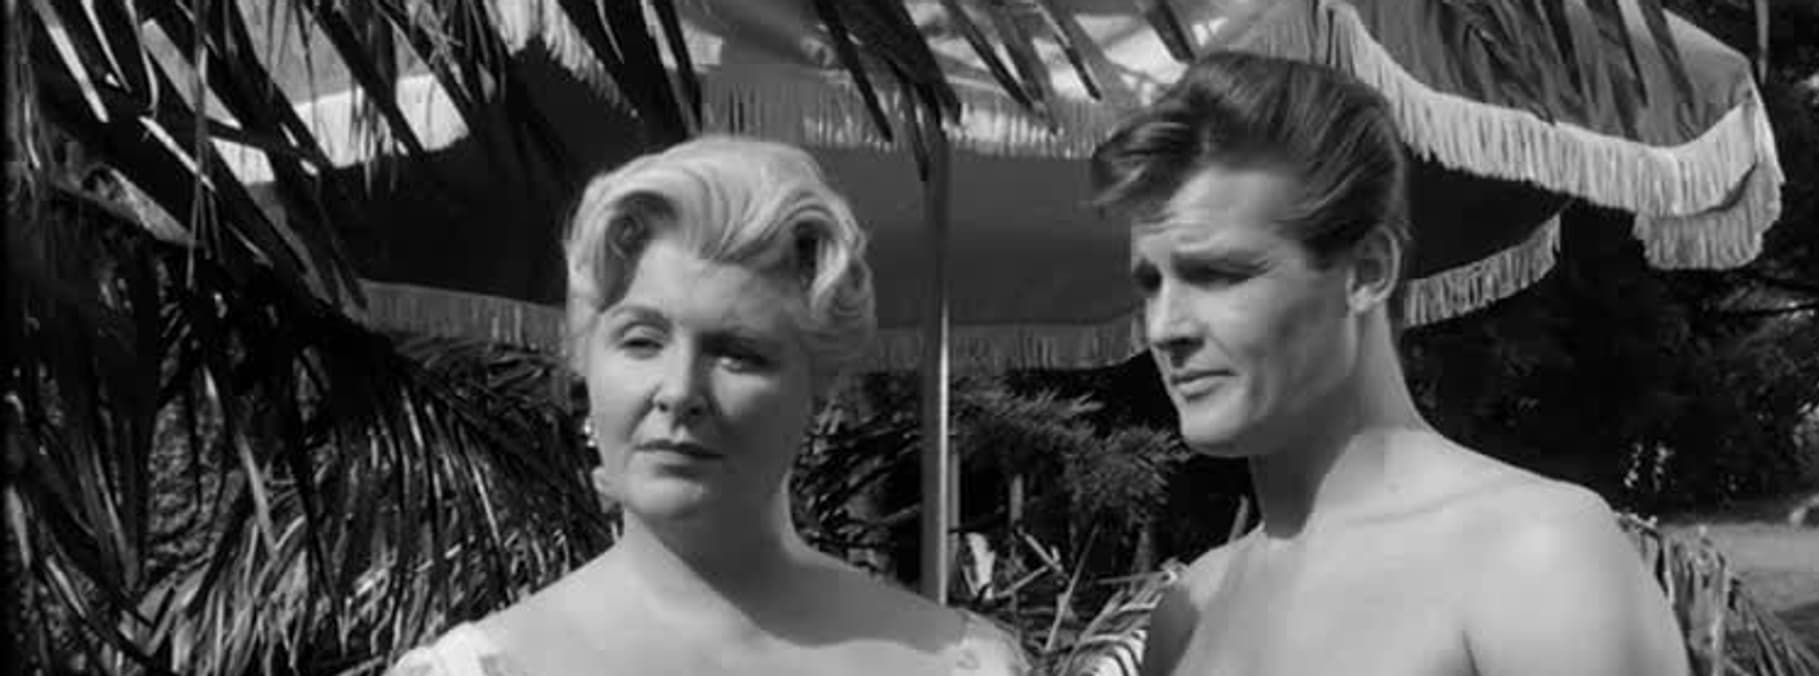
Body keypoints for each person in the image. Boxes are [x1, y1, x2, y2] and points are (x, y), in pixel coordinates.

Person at [1090, 52, 1691, 676]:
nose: (1165, 328)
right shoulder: (1192, 612)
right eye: (1151, 284)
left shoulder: (1533, 559)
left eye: (1218, 274)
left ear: (1367, 272)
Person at [388, 136, 1029, 676]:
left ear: (819, 388)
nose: (679, 391)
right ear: (586, 363)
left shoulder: (960, 665)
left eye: (737, 354)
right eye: (641, 341)